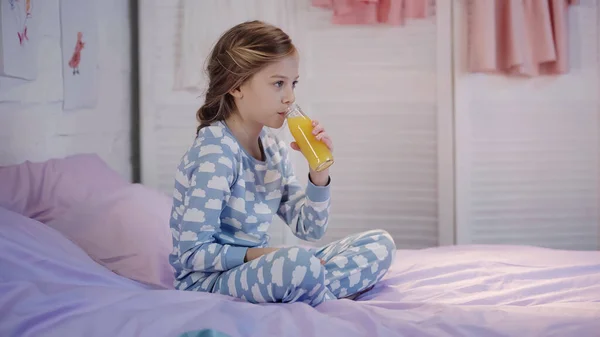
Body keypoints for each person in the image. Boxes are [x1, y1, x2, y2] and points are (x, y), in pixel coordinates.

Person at [169, 20, 396, 307]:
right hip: (209, 281)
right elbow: (191, 253)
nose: (290, 97)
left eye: (293, 83)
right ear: (236, 85)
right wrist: (258, 255)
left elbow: (309, 229)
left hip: (261, 269)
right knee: (296, 264)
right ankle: (314, 290)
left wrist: (319, 174)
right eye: (278, 83)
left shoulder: (273, 148)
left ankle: (309, 287)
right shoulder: (215, 152)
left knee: (379, 243)